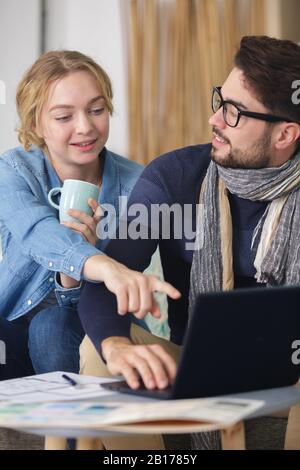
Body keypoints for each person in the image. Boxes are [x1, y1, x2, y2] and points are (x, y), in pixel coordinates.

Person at [78, 36, 300, 449]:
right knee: (97, 351)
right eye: (221, 100)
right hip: (194, 365)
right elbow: (104, 282)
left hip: (290, 376)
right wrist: (116, 344)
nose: (215, 119)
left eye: (234, 112)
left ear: (285, 134)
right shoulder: (176, 176)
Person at [0, 50, 179, 381]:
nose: (85, 127)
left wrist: (73, 280)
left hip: (86, 336)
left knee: (51, 324)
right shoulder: (13, 171)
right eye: (64, 117)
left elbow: (99, 308)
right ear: (35, 123)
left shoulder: (139, 185)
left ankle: (77, 433)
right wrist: (104, 266)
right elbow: (36, 231)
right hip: (12, 331)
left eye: (96, 110)